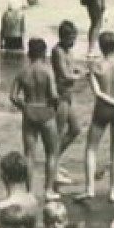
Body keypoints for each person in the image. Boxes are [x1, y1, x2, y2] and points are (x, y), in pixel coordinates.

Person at [81, 31, 114, 202]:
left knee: (91, 148)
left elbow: (97, 93)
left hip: (102, 110)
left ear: (101, 47)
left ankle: (90, 188)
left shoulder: (96, 66)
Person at [10, 38, 61, 200]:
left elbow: (13, 96)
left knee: (29, 155)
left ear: (29, 53)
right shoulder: (47, 71)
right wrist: (55, 106)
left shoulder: (23, 72)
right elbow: (53, 95)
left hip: (30, 111)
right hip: (46, 111)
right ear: (44, 53)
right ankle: (48, 190)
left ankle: (30, 191)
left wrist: (24, 107)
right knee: (52, 153)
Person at [49, 22, 82, 189]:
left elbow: (73, 69)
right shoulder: (57, 51)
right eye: (71, 38)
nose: (73, 41)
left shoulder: (69, 51)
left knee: (75, 129)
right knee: (58, 133)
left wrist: (79, 71)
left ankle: (54, 161)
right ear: (62, 37)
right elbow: (63, 75)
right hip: (60, 96)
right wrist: (80, 76)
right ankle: (53, 170)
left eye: (75, 38)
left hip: (68, 95)